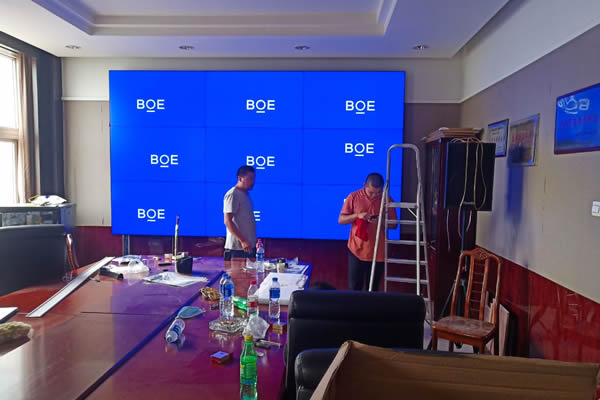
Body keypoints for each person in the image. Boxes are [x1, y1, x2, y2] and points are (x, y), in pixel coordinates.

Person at [339, 173, 397, 291]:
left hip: (378, 252)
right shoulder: (354, 196)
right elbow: (341, 220)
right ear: (364, 185)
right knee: (354, 289)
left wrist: (380, 221)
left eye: (378, 193)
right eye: (371, 192)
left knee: (373, 290)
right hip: (356, 250)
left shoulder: (387, 199)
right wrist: (357, 216)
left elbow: (394, 225)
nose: (375, 195)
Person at [223, 165, 257, 261]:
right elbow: (227, 221)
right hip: (237, 248)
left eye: (253, 178)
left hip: (248, 246)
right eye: (250, 179)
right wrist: (243, 240)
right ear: (240, 178)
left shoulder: (245, 194)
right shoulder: (232, 194)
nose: (253, 182)